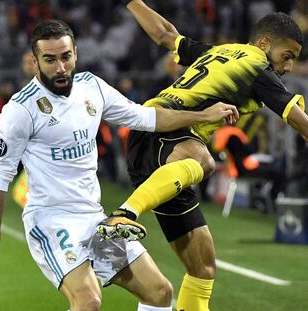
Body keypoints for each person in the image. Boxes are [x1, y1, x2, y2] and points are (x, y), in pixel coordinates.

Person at [0, 19, 238, 311]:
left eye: (66, 57)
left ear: (76, 53)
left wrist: (202, 116)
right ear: (34, 62)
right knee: (88, 301)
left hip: (96, 220)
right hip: (52, 221)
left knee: (159, 292)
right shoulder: (20, 111)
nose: (60, 67)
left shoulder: (92, 88)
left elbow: (146, 118)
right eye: (50, 60)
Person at [97, 1, 308, 310]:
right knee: (204, 161)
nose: (288, 67)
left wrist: (132, 2)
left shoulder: (217, 52)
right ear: (264, 44)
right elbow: (295, 117)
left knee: (202, 265)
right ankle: (124, 214)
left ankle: (128, 212)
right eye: (286, 56)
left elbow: (165, 35)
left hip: (155, 141)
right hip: (171, 129)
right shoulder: (257, 67)